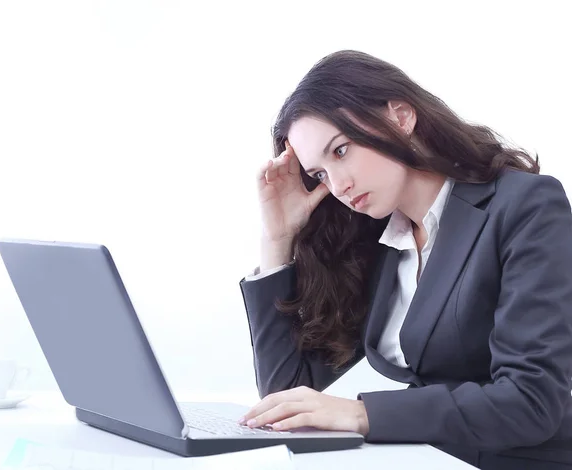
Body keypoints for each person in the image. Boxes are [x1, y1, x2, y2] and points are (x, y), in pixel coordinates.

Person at [237, 50, 572, 469]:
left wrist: (363, 413)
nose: (338, 185)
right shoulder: (375, 241)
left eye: (340, 151)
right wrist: (277, 239)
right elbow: (285, 395)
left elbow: (531, 401)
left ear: (400, 116)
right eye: (320, 174)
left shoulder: (523, 206)